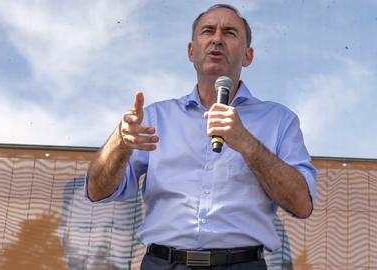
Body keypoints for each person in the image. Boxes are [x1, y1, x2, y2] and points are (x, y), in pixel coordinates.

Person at [85, 4, 316, 270]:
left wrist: (249, 145)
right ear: (191, 51)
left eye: (229, 33)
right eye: (208, 31)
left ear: (248, 56)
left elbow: (302, 204)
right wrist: (119, 143)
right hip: (162, 264)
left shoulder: (279, 120)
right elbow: (97, 191)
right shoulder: (155, 118)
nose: (217, 39)